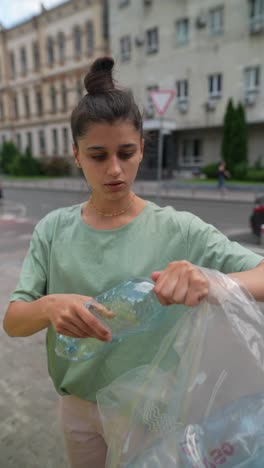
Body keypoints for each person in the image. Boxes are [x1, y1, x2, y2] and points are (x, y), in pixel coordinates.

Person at [2, 57, 264, 468]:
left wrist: (210, 281)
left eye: (126, 152)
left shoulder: (180, 229)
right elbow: (14, 320)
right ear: (75, 155)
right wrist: (49, 307)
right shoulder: (53, 230)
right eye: (97, 155)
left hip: (151, 413)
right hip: (77, 406)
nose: (114, 170)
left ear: (143, 147)